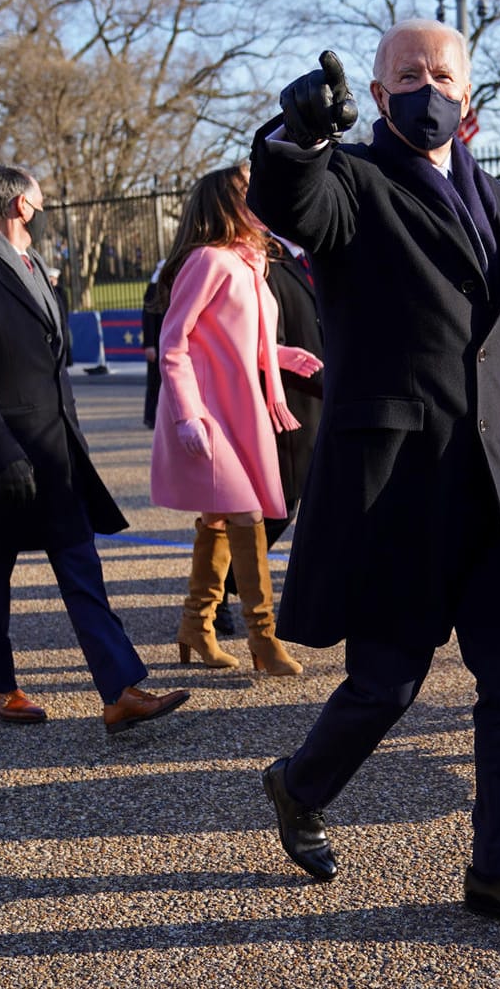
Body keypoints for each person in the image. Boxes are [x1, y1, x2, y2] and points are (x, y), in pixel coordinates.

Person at [248, 25, 500, 941]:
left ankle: (499, 872)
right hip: (395, 485)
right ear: (374, 95)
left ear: (469, 91)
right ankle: (297, 785)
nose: (426, 87)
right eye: (406, 75)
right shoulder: (354, 183)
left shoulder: (492, 194)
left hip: (483, 483)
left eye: (440, 73)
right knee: (386, 685)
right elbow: (293, 201)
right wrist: (296, 134)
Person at [0, 163, 189, 733]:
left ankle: (119, 690)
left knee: (80, 564)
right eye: (39, 201)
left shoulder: (36, 266)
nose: (44, 210)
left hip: (53, 449)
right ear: (20, 206)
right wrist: (1, 454)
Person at [151, 164, 323, 675]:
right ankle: (262, 638)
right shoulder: (208, 260)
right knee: (248, 518)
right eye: (251, 192)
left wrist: (283, 357)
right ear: (230, 203)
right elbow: (173, 343)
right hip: (210, 412)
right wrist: (187, 415)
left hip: (240, 407)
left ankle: (196, 626)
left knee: (221, 520)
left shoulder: (249, 263)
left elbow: (241, 338)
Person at [216, 230, 324, 639]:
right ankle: (220, 590)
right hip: (287, 399)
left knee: (315, 500)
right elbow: (258, 337)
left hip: (319, 397)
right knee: (281, 506)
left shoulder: (306, 253)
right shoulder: (264, 257)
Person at [141, 261, 167, 428]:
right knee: (154, 382)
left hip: (168, 342)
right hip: (157, 344)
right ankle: (150, 417)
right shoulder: (153, 290)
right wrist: (149, 345)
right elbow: (148, 319)